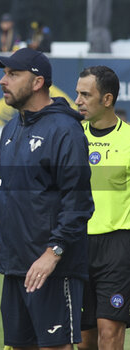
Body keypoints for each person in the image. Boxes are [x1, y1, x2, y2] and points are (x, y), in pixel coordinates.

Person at [0, 47, 94, 350]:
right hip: (15, 265)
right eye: (4, 73)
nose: (3, 81)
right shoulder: (11, 129)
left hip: (52, 269)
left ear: (37, 82)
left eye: (13, 74)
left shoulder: (65, 130)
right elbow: (7, 196)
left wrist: (53, 253)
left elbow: (78, 203)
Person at [75, 66, 130, 350]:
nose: (78, 101)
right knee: (85, 340)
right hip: (76, 244)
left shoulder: (129, 140)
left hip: (117, 247)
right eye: (77, 94)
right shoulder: (71, 137)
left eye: (86, 94)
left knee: (110, 332)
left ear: (107, 100)